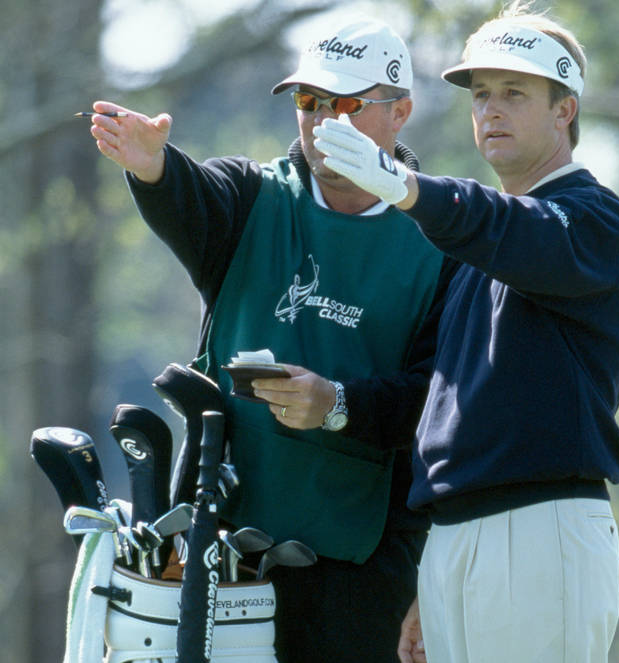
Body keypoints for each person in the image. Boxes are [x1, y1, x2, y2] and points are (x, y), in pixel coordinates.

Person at [87, 18, 455, 663]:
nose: (319, 121)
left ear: (400, 113)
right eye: (308, 102)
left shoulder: (445, 240)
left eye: (344, 104)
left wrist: (337, 404)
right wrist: (154, 169)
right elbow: (193, 196)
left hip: (362, 563)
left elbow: (439, 401)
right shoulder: (254, 195)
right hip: (220, 539)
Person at [313, 4, 619, 662]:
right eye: (483, 95)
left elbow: (509, 228)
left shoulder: (595, 223)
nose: (491, 110)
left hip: (541, 530)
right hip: (454, 540)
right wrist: (429, 573)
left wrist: (405, 187)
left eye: (515, 93)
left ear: (564, 111)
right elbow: (440, 408)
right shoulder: (474, 250)